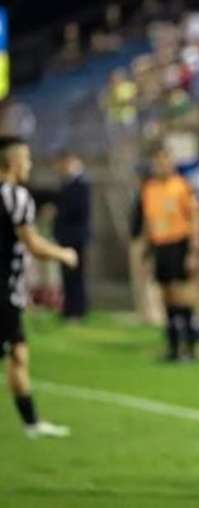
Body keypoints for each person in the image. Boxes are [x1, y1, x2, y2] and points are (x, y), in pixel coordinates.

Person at [0, 136, 76, 438]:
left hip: (9, 291)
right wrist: (64, 254)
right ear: (13, 162)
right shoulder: (16, 197)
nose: (30, 165)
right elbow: (33, 244)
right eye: (27, 159)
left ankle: (31, 423)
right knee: (17, 354)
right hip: (3, 293)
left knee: (19, 354)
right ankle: (32, 423)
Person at [139, 142, 199, 361]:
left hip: (179, 243)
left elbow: (195, 218)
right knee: (166, 295)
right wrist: (147, 250)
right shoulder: (149, 188)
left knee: (183, 295)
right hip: (160, 246)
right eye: (158, 162)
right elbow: (148, 221)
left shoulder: (182, 186)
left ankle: (190, 346)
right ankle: (173, 346)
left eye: (165, 160)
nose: (162, 165)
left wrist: (193, 252)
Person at [53, 150, 91, 321]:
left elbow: (77, 210)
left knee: (76, 275)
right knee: (67, 275)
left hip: (76, 237)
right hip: (65, 236)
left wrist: (57, 212)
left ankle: (78, 310)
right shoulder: (66, 182)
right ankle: (68, 309)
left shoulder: (81, 183)